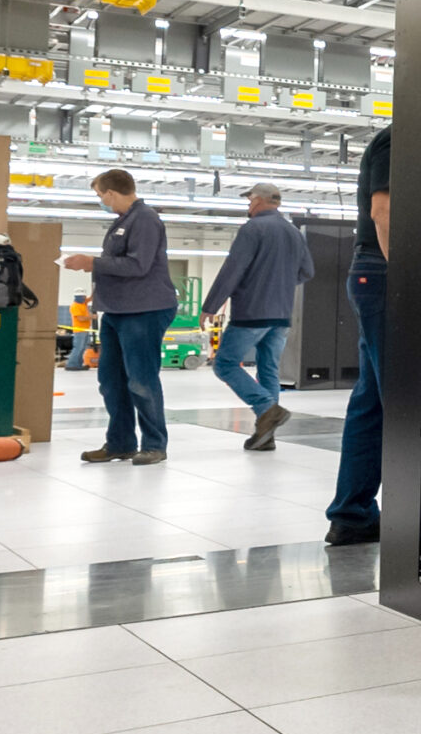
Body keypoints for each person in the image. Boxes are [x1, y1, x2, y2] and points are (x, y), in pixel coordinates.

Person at [62, 169, 178, 465]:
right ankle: (121, 443)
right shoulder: (122, 223)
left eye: (100, 195)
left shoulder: (146, 219)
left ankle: (154, 445)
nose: (101, 200)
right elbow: (117, 265)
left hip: (144, 309)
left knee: (141, 379)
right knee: (110, 380)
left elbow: (138, 266)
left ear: (111, 192)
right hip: (116, 310)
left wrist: (93, 262)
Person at [202, 184, 315, 449]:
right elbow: (307, 271)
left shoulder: (252, 229)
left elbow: (233, 269)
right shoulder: (293, 232)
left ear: (259, 200)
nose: (248, 205)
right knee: (269, 372)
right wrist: (281, 284)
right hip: (281, 315)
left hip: (252, 313)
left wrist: (211, 305)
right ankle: (266, 437)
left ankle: (267, 408)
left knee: (225, 365)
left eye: (250, 199)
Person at [326, 125, 392, 546]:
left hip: (376, 274)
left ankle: (352, 514)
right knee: (403, 397)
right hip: (384, 272)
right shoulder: (397, 139)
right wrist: (412, 276)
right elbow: (383, 213)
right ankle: (415, 511)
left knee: (371, 401)